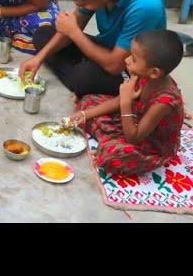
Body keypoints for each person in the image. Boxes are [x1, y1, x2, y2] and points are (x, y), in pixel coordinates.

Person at [19, 0, 166, 97]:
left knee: (83, 78)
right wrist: (38, 58)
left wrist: (74, 33)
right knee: (43, 34)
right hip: (106, 48)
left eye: (83, 5)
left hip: (131, 66)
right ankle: (80, 71)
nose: (80, 8)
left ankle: (80, 77)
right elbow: (76, 23)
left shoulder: (145, 7)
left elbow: (115, 66)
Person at [67, 30, 185, 176]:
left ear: (154, 72)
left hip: (151, 143)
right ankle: (109, 139)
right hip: (134, 119)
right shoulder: (144, 76)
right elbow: (118, 102)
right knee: (88, 101)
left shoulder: (165, 101)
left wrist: (125, 101)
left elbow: (134, 138)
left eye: (134, 59)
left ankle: (108, 142)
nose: (127, 60)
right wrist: (84, 114)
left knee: (114, 155)